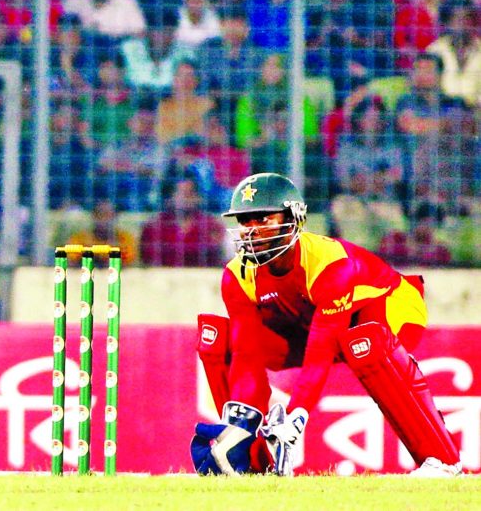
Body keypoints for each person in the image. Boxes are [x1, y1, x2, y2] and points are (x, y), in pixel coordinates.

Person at [190, 172, 461, 477]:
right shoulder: (236, 275)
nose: (252, 230)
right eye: (245, 221)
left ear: (293, 219)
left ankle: (444, 461)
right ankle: (252, 464)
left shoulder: (331, 265)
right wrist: (241, 420)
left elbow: (320, 350)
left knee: (364, 343)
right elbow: (246, 354)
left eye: (263, 218)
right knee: (218, 339)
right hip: (306, 320)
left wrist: (295, 418)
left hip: (387, 307)